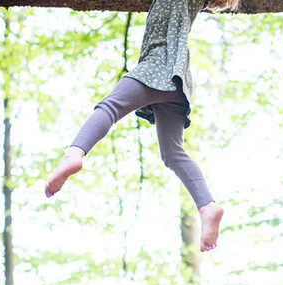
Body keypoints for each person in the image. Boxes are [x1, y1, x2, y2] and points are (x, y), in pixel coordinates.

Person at [45, 0, 237, 252]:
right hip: (179, 80)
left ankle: (74, 153)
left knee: (109, 108)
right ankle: (207, 205)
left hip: (157, 68)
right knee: (173, 153)